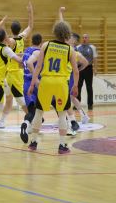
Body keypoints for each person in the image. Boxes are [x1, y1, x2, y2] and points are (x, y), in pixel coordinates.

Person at [27, 15, 79, 154]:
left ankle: (33, 142)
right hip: (61, 83)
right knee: (62, 114)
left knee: (39, 112)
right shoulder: (70, 50)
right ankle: (62, 145)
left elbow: (38, 67)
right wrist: (75, 86)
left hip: (46, 81)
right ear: (67, 33)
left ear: (55, 31)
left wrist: (32, 84)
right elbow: (75, 71)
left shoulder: (46, 45)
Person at [0, 3, 34, 129]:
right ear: (20, 29)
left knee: (20, 100)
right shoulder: (22, 37)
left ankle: (33, 119)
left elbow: (3, 37)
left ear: (11, 29)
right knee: (9, 99)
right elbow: (30, 26)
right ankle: (2, 121)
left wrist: (1, 25)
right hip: (11, 74)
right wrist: (30, 12)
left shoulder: (12, 41)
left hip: (14, 74)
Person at [20, 33, 42, 143]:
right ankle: (69, 123)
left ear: (32, 41)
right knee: (39, 109)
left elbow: (22, 64)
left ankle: (26, 124)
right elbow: (29, 63)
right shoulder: (38, 52)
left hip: (25, 83)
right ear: (41, 42)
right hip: (34, 83)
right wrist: (35, 77)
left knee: (31, 111)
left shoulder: (26, 51)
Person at [76, 33, 97, 110]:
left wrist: (95, 69)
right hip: (80, 68)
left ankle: (90, 104)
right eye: (83, 37)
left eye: (86, 37)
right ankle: (77, 104)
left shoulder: (92, 48)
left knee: (89, 87)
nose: (84, 39)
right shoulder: (77, 47)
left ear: (88, 39)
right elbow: (75, 58)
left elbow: (95, 59)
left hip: (88, 68)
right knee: (78, 86)